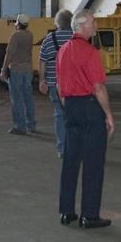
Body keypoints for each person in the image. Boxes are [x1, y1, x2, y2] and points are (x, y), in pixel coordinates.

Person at [56, 10, 115, 229]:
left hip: (70, 106)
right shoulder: (90, 52)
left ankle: (67, 210)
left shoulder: (62, 51)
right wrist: (108, 115)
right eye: (93, 21)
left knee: (71, 160)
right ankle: (89, 215)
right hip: (90, 108)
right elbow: (98, 88)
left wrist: (70, 108)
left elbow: (61, 88)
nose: (96, 24)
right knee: (93, 162)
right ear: (82, 26)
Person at [39, 9, 75, 157]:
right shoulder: (76, 38)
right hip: (74, 84)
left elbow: (43, 61)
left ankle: (62, 149)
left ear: (57, 22)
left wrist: (42, 80)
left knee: (59, 114)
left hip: (54, 83)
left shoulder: (49, 38)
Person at [0, 14, 36, 135]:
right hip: (27, 69)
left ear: (18, 23)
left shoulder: (15, 36)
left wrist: (3, 70)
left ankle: (20, 126)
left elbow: (9, 54)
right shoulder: (30, 35)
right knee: (28, 98)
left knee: (17, 99)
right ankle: (31, 124)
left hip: (16, 70)